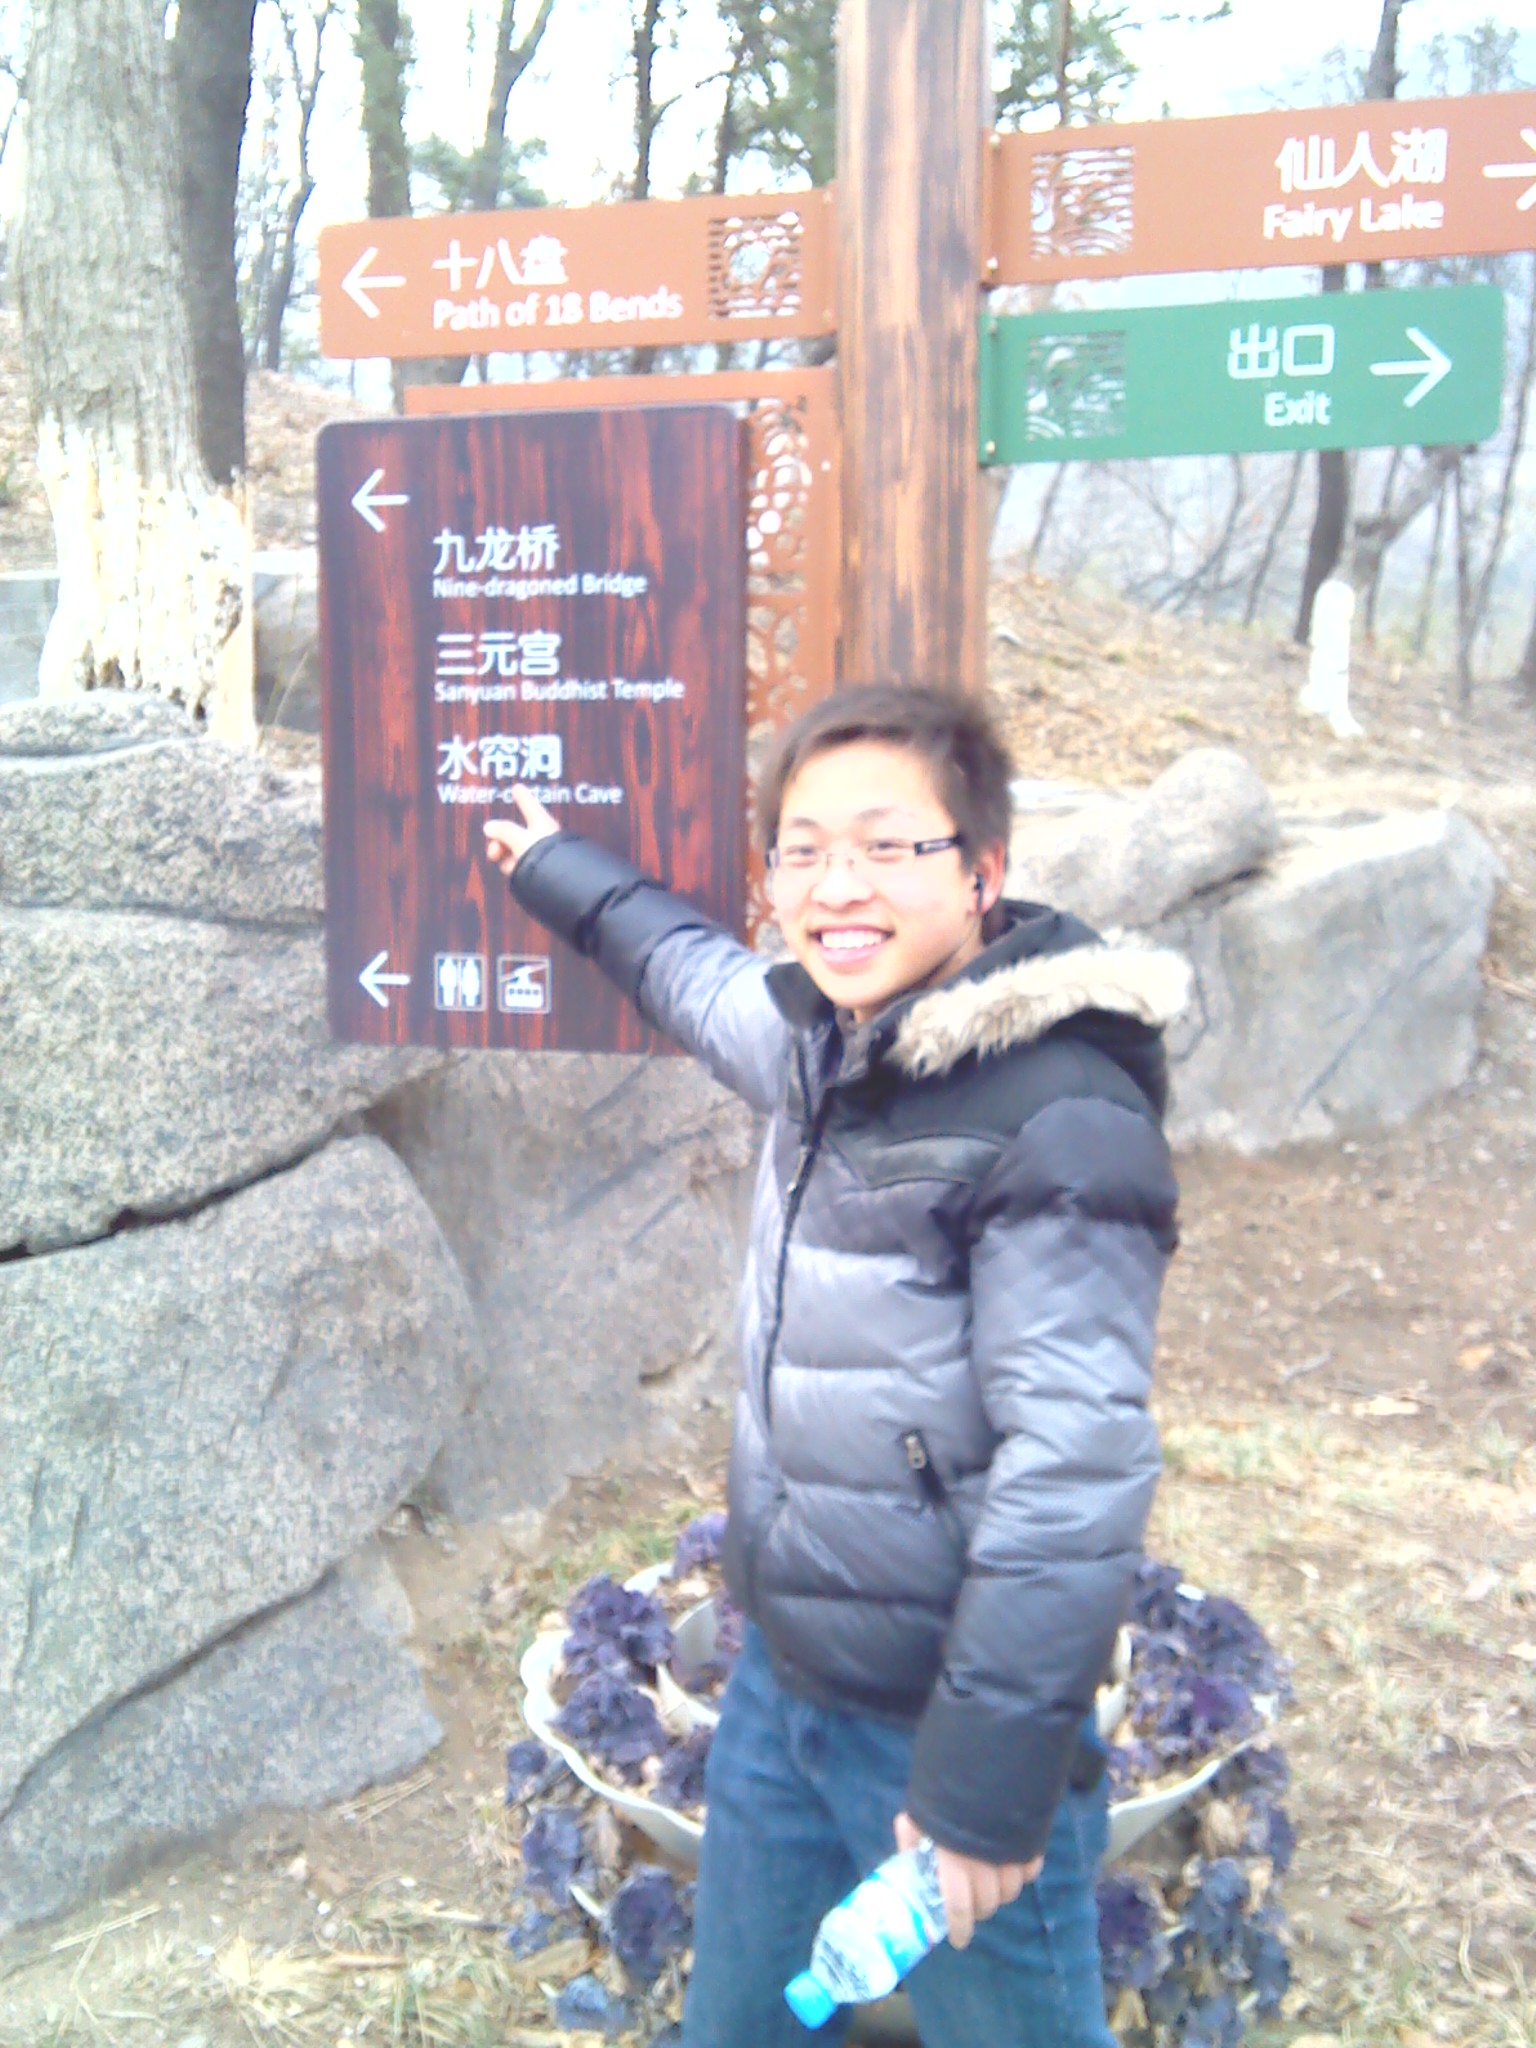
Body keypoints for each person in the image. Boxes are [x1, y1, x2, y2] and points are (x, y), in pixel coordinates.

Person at [485, 684, 1188, 2048]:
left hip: (946, 1726)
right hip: (783, 1682)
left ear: (982, 871)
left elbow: (1077, 1466)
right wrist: (553, 864)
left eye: (887, 845)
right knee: (742, 2026)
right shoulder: (824, 1041)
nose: (836, 885)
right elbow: (690, 969)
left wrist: (983, 1790)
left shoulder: (1062, 1119)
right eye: (802, 850)